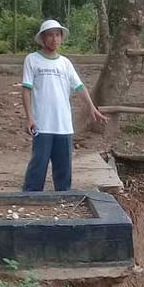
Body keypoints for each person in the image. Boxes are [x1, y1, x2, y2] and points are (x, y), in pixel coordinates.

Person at [21, 19, 107, 192]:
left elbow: (79, 87)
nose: (54, 39)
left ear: (61, 38)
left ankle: (63, 197)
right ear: (43, 38)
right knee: (39, 163)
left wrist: (91, 107)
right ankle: (30, 196)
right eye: (50, 35)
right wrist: (29, 117)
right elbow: (26, 90)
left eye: (57, 35)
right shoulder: (32, 60)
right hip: (42, 124)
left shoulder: (65, 63)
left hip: (64, 125)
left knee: (64, 166)